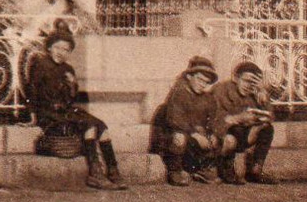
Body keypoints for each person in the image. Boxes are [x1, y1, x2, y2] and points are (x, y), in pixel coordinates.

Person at [25, 23, 127, 190]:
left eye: (66, 50)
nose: (61, 52)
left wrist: (72, 85)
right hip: (49, 113)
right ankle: (95, 174)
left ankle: (114, 171)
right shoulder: (41, 65)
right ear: (50, 47)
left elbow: (71, 98)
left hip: (66, 111)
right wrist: (32, 116)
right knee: (89, 127)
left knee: (102, 126)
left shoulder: (68, 69)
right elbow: (32, 92)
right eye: (58, 48)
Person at [150, 56, 219, 186]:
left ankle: (201, 169)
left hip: (191, 138)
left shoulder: (208, 98)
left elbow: (212, 119)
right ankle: (174, 170)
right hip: (169, 139)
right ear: (189, 77)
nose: (202, 84)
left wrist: (211, 134)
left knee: (213, 138)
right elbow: (175, 121)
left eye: (206, 82)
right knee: (179, 136)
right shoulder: (179, 93)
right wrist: (195, 134)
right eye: (199, 79)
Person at [212, 61, 276, 185]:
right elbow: (214, 119)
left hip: (241, 132)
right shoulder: (221, 90)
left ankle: (255, 170)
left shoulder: (254, 94)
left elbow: (269, 116)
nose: (249, 86)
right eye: (246, 80)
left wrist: (264, 97)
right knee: (236, 130)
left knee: (267, 129)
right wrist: (237, 118)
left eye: (253, 83)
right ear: (236, 78)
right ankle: (226, 168)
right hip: (220, 134)